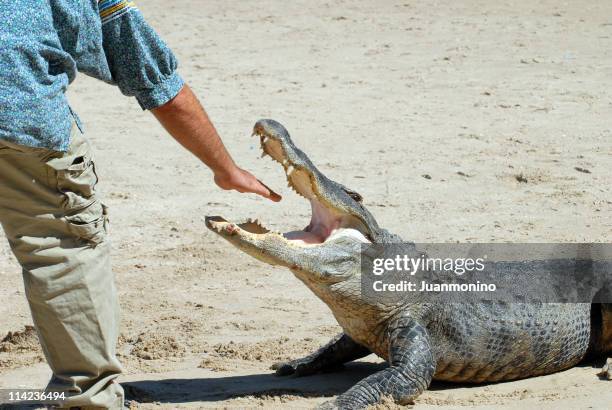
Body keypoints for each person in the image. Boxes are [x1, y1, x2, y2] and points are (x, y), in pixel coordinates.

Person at [0, 1, 280, 408]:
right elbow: (158, 83)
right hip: (22, 116)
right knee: (62, 250)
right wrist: (225, 169)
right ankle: (86, 397)